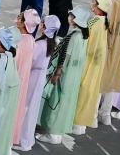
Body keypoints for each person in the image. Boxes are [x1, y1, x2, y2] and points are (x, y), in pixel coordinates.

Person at [36, 8, 88, 145]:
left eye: (72, 15)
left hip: (65, 76)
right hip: (74, 76)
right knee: (66, 103)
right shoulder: (83, 36)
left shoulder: (73, 37)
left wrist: (57, 74)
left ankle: (53, 133)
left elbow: (65, 57)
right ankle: (59, 131)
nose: (69, 16)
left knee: (57, 102)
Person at [17, 14, 58, 150]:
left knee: (26, 108)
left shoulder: (40, 44)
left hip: (32, 78)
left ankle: (23, 141)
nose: (40, 25)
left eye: (43, 24)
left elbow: (31, 61)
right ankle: (27, 139)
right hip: (39, 79)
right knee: (32, 108)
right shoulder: (49, 43)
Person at [72, 0, 111, 134]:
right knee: (92, 91)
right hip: (97, 63)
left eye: (94, 0)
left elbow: (85, 41)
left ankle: (78, 123)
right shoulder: (104, 22)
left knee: (83, 90)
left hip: (87, 61)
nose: (91, 1)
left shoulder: (93, 22)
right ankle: (89, 120)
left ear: (98, 6)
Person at [10, 10, 39, 148]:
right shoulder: (31, 40)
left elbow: (13, 61)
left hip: (14, 80)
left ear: (23, 24)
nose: (16, 19)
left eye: (19, 18)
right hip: (23, 80)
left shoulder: (19, 41)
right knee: (17, 109)